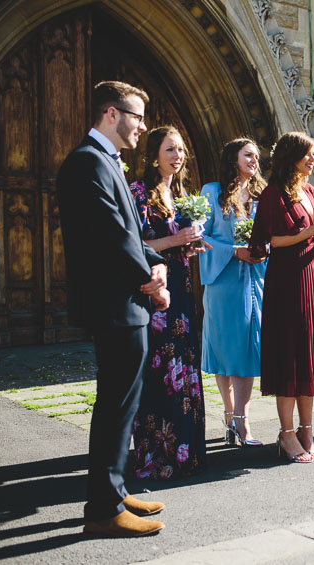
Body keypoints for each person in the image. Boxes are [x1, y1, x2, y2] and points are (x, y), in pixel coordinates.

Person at [56, 80, 167, 536]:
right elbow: (111, 235)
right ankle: (102, 510)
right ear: (110, 113)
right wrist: (149, 283)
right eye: (137, 116)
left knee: (123, 403)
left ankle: (115, 490)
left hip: (126, 299)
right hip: (115, 302)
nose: (143, 126)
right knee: (115, 404)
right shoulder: (87, 163)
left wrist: (156, 264)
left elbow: (133, 233)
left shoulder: (106, 162)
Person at [248, 132, 314, 462]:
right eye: (307, 154)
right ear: (291, 157)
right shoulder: (273, 193)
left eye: (313, 154)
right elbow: (271, 240)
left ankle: (307, 429)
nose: (312, 160)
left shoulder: (311, 191)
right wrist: (311, 232)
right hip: (286, 280)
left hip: (311, 277)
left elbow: (311, 234)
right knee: (290, 354)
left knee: (309, 354)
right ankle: (286, 434)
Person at [129, 126, 207, 479]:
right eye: (170, 149)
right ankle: (156, 454)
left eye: (180, 150)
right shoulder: (140, 193)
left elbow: (175, 243)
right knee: (159, 369)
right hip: (155, 289)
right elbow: (134, 244)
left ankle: (184, 452)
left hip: (181, 286)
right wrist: (175, 239)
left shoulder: (180, 192)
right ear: (153, 154)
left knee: (183, 362)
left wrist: (190, 245)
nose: (177, 156)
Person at [199, 138, 267, 446]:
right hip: (224, 280)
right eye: (248, 155)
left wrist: (263, 249)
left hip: (255, 278)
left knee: (249, 348)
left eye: (256, 156)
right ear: (233, 158)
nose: (254, 160)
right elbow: (201, 238)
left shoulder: (262, 195)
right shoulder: (212, 192)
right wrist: (233, 251)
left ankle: (242, 420)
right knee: (227, 350)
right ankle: (230, 415)